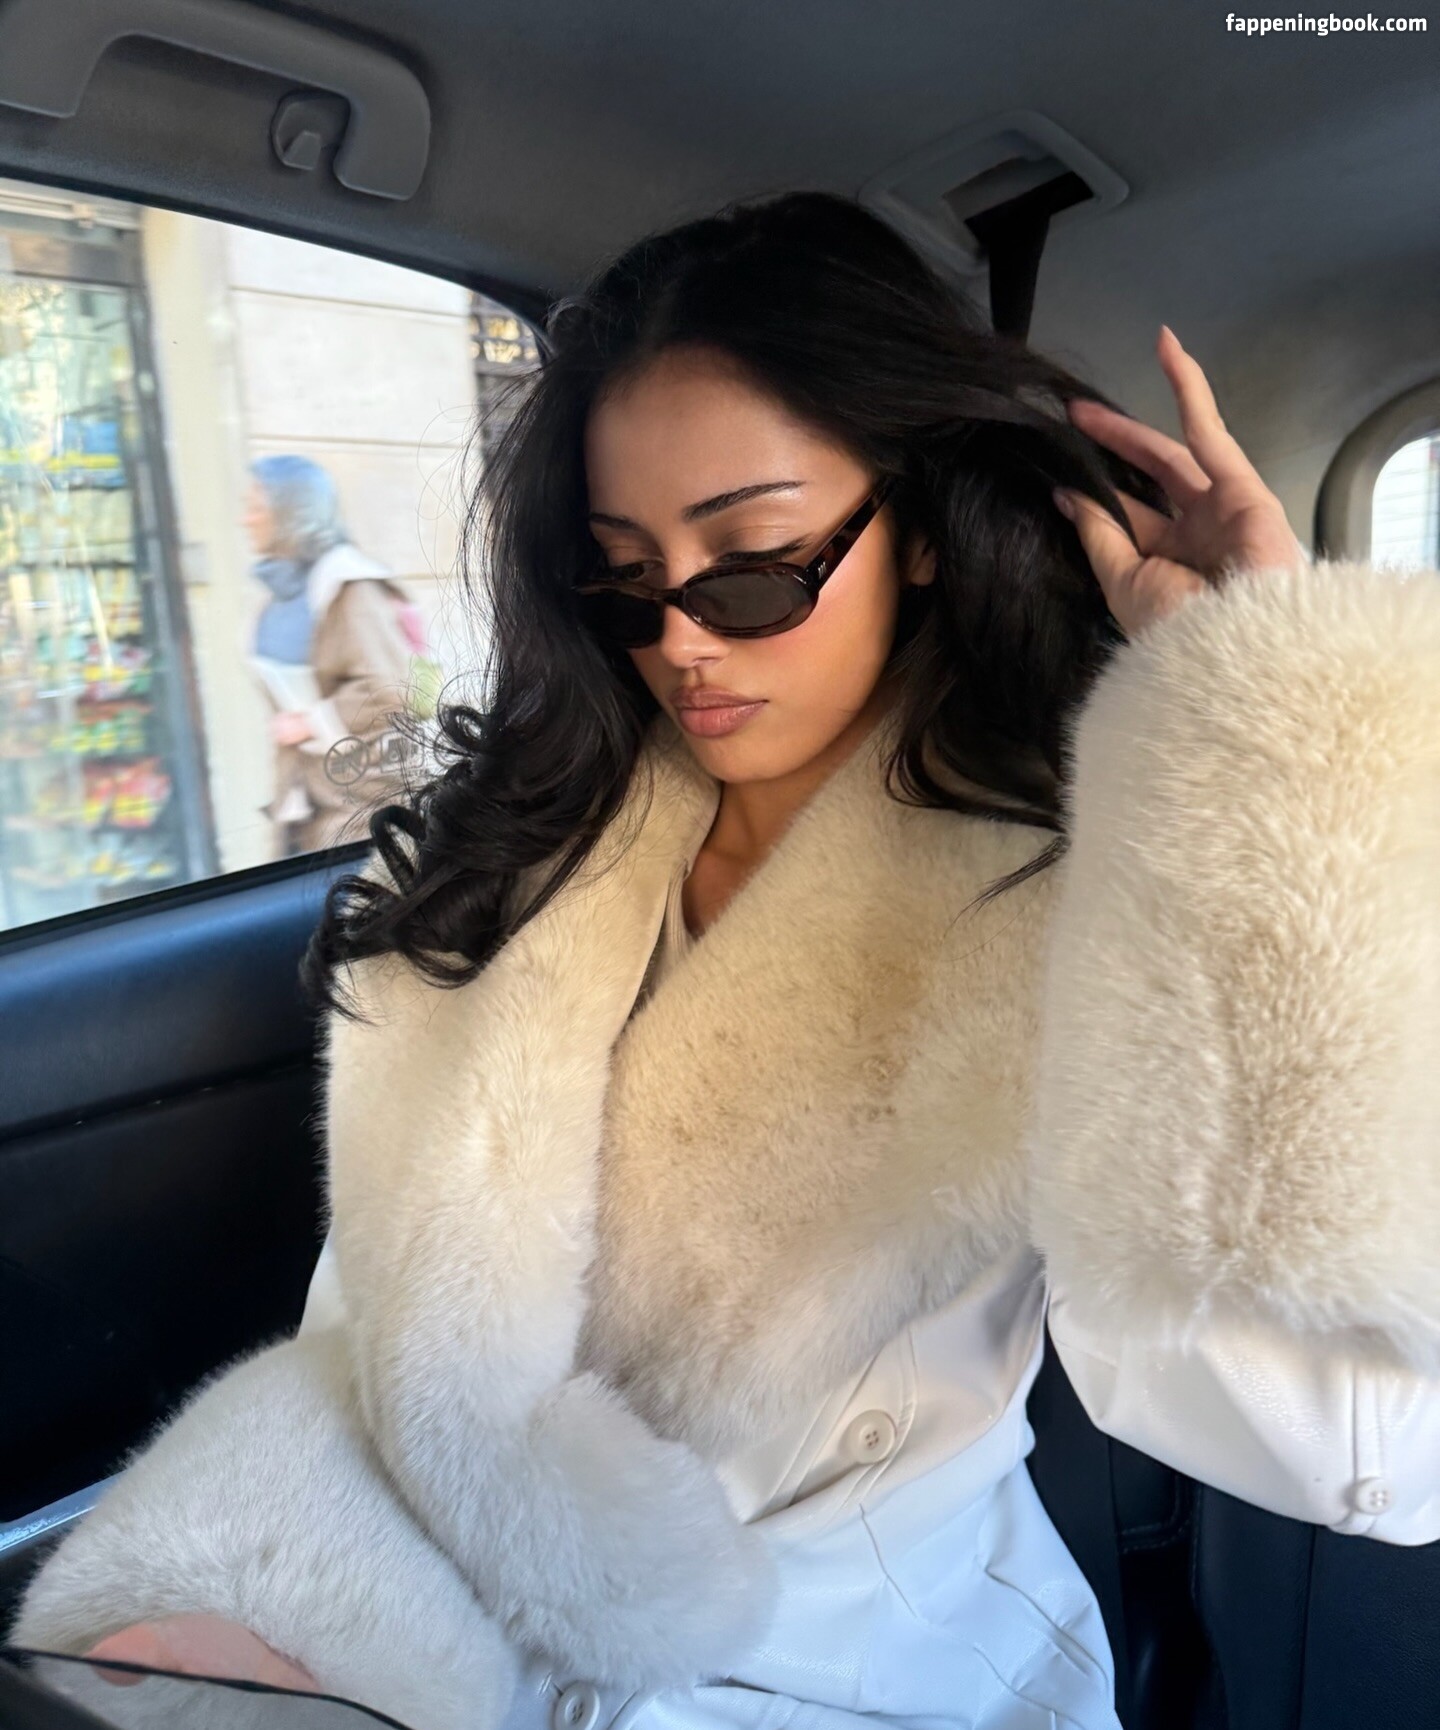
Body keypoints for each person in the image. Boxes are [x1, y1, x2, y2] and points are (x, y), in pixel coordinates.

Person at [13, 193, 1440, 1730]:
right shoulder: (508, 859)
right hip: (462, 1629)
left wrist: (1259, 722)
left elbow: (1360, 1447)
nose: (683, 639)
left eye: (752, 566)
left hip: (864, 1675)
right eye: (625, 575)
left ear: (922, 535)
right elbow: (380, 1352)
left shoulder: (1068, 899)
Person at [245, 454, 427, 857]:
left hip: (366, 807)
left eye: (256, 507)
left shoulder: (350, 586)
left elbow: (392, 687)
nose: (246, 520)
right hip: (309, 805)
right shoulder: (279, 598)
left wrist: (310, 722)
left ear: (292, 511)